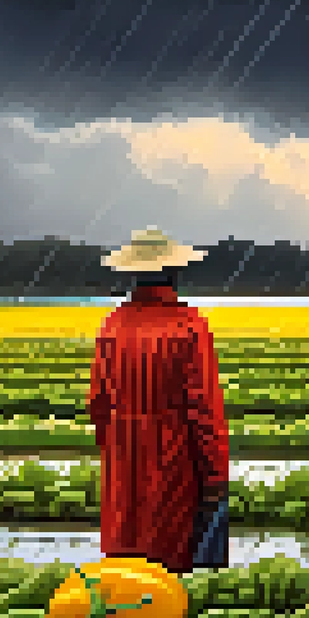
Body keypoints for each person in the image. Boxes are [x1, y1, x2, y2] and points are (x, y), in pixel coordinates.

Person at [86, 227, 230, 574]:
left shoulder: (112, 326)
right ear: (175, 273)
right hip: (174, 460)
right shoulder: (190, 327)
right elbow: (204, 412)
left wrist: (119, 449)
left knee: (125, 566)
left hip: (123, 461)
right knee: (174, 565)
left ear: (133, 275)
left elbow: (98, 405)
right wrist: (216, 477)